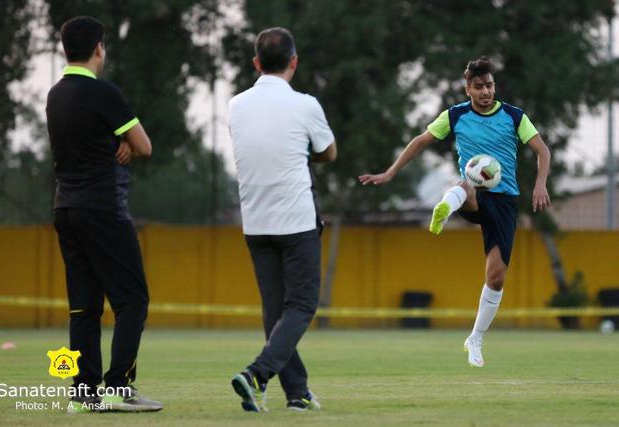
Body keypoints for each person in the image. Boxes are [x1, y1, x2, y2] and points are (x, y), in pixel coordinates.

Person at [359, 56, 551, 367]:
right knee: (470, 180)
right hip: (474, 195)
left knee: (497, 276)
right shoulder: (455, 115)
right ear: (467, 90)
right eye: (478, 87)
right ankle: (446, 206)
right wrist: (390, 173)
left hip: (504, 201)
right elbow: (420, 141)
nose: (485, 91)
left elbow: (541, 149)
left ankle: (475, 338)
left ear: (493, 86)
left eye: (489, 85)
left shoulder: (515, 116)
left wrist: (541, 184)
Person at [46, 16, 162, 412]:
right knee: (133, 300)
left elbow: (87, 141)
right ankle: (119, 388)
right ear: (98, 48)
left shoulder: (55, 95)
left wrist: (117, 140)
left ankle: (83, 393)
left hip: (66, 207)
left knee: (84, 306)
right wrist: (124, 140)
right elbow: (143, 145)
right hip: (103, 208)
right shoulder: (104, 94)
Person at [227, 27, 337, 412]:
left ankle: (298, 394)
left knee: (276, 312)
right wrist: (304, 151)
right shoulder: (306, 105)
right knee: (302, 306)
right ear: (294, 62)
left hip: (255, 222)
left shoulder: (235, 105)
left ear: (256, 63)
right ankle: (257, 376)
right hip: (296, 221)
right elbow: (328, 152)